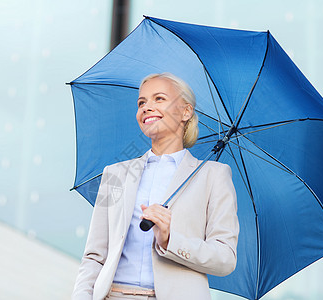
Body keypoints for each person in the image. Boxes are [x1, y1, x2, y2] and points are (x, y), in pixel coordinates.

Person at [72, 73, 239, 300]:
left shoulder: (213, 175)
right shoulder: (115, 174)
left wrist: (170, 239)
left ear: (185, 112)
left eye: (159, 99)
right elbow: (94, 255)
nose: (147, 107)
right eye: (142, 102)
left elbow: (225, 258)